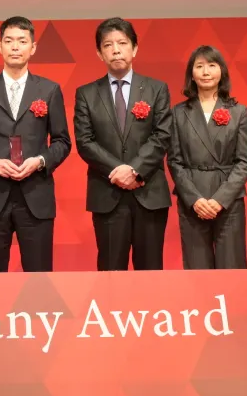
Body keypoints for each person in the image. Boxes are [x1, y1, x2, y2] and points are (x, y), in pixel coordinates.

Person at [0, 16, 72, 272]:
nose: (15, 47)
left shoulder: (49, 90)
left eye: (22, 41)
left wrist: (40, 161)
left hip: (36, 196)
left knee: (39, 275)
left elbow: (62, 141)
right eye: (9, 41)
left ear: (32, 48)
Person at [73, 17, 174, 270]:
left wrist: (135, 170)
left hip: (148, 193)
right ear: (99, 53)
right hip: (107, 193)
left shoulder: (156, 89)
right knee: (110, 271)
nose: (116, 50)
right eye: (108, 45)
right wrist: (118, 171)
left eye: (122, 43)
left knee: (150, 271)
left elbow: (162, 135)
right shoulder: (86, 93)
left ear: (135, 48)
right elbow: (85, 141)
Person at [168, 45, 247, 269]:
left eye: (212, 65)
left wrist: (220, 200)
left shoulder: (238, 111)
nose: (206, 72)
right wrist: (195, 200)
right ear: (191, 74)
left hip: (228, 200)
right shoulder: (178, 113)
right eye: (200, 66)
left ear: (221, 71)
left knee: (232, 268)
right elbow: (174, 161)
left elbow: (244, 162)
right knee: (197, 270)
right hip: (193, 200)